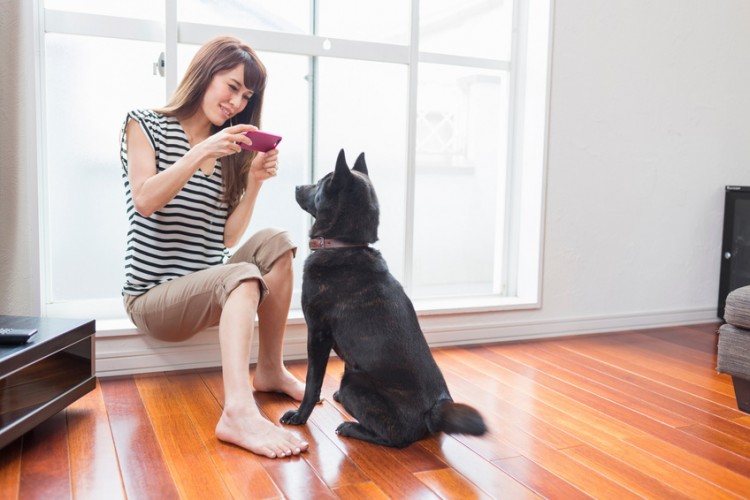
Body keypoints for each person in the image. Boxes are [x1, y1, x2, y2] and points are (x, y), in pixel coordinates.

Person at [120, 35, 308, 459]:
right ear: (206, 75)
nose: (238, 102)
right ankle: (238, 412)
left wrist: (254, 183)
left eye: (247, 95)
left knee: (278, 241)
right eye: (232, 86)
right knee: (241, 274)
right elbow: (146, 201)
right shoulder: (143, 124)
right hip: (153, 297)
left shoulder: (231, 149)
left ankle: (271, 370)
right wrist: (199, 151)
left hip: (208, 284)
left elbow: (225, 239)